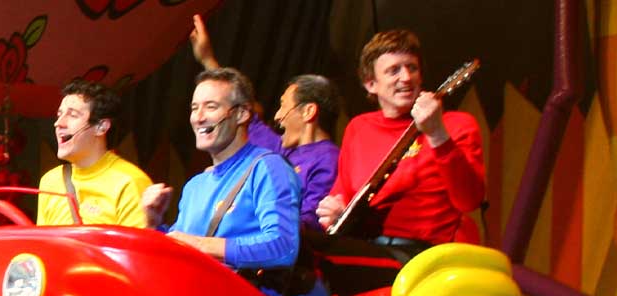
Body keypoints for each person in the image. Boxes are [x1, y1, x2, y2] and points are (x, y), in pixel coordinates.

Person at [316, 29, 485, 263]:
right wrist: (334, 212)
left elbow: (470, 200)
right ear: (371, 84)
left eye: (412, 68)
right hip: (365, 245)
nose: (406, 77)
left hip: (422, 256)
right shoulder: (359, 127)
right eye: (394, 70)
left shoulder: (456, 125)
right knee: (300, 250)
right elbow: (342, 193)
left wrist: (437, 134)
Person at [142, 67, 300, 272]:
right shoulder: (195, 185)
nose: (198, 118)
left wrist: (200, 245)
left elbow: (283, 247)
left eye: (211, 107)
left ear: (242, 114)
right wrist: (154, 224)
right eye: (194, 108)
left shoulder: (268, 168)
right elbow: (179, 253)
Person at [190, 14, 338, 231]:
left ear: (308, 111)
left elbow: (310, 223)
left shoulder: (328, 159)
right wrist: (207, 59)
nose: (277, 115)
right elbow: (243, 113)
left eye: (283, 106)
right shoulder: (279, 150)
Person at [36, 79, 152, 227]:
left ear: (101, 127)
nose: (58, 123)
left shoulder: (130, 182)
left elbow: (137, 241)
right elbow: (41, 240)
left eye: (73, 115)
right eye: (60, 115)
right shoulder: (50, 181)